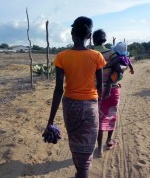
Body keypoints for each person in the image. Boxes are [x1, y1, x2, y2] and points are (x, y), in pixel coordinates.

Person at [43, 17, 106, 178]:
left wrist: (50, 121)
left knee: (76, 147)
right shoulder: (97, 56)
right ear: (89, 36)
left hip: (71, 107)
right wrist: (96, 106)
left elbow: (58, 90)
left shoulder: (62, 57)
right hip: (91, 106)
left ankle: (80, 172)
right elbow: (100, 87)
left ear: (72, 33)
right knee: (86, 154)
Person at [92, 29, 134, 157]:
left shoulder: (90, 53)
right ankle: (109, 141)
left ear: (93, 40)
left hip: (95, 90)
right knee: (111, 115)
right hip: (112, 90)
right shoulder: (112, 53)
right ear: (105, 39)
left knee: (99, 119)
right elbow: (122, 68)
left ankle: (98, 149)